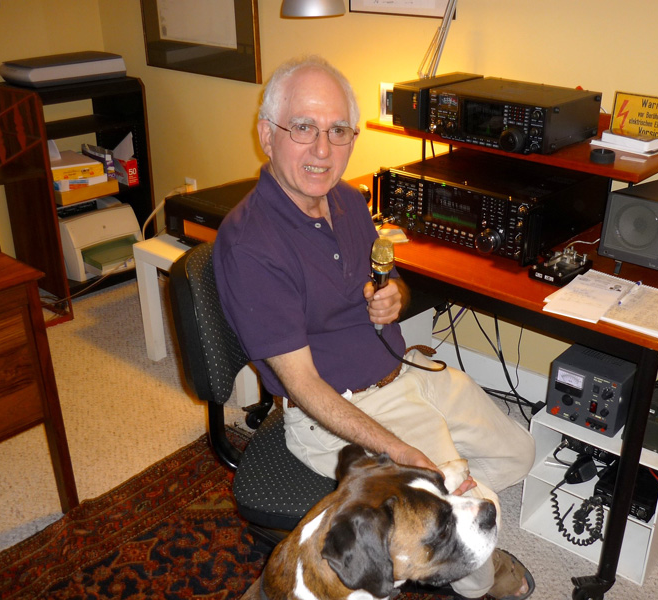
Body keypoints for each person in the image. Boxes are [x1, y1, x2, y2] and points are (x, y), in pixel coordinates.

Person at [213, 55, 536, 599]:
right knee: (474, 506)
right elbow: (303, 385)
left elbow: (389, 280)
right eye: (304, 128)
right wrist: (399, 453)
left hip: (402, 370)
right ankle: (473, 575)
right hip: (341, 406)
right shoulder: (252, 245)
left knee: (519, 456)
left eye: (338, 131)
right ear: (267, 134)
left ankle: (423, 528)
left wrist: (394, 298)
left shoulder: (346, 199)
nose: (322, 149)